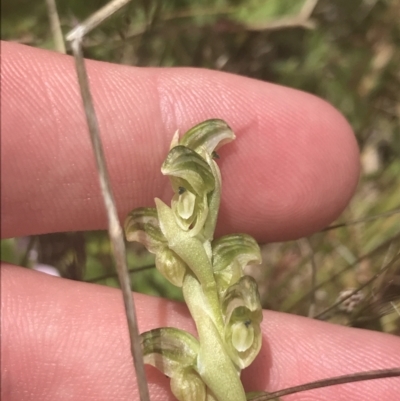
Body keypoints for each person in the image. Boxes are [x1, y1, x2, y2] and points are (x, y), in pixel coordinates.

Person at [1, 41, 399, 400]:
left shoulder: (220, 261)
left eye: (187, 187)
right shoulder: (178, 242)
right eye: (180, 188)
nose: (181, 196)